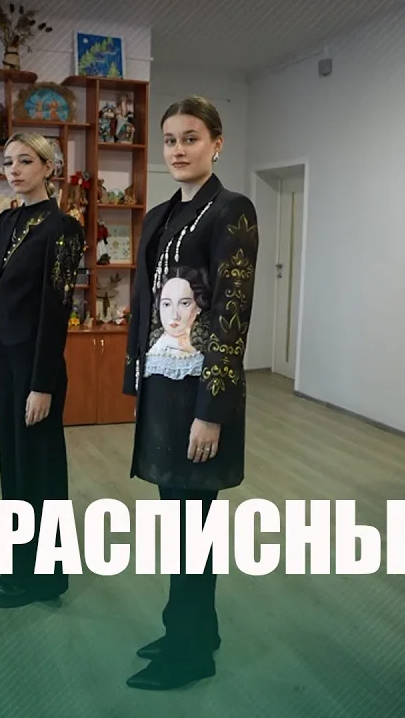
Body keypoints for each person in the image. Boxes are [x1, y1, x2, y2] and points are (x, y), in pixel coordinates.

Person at [121, 96, 260, 690]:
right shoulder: (159, 215)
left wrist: (212, 410)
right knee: (177, 524)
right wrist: (136, 377)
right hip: (162, 385)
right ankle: (192, 629)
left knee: (192, 530)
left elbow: (232, 314)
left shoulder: (232, 211)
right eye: (170, 140)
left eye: (191, 138)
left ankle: (191, 651)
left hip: (201, 393)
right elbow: (143, 301)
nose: (178, 149)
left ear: (217, 144)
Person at [0, 132, 85, 608]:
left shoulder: (63, 228)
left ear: (48, 167)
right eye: (8, 162)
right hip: (8, 357)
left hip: (38, 366)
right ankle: (19, 565)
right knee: (14, 468)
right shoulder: (8, 220)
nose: (14, 170)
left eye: (25, 161)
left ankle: (42, 578)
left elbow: (55, 311)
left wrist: (42, 383)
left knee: (38, 472)